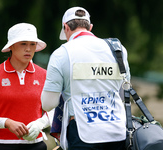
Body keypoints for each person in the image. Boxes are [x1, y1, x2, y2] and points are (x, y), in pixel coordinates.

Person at [41, 7, 131, 150]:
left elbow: (48, 104)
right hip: (117, 132)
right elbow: (123, 92)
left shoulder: (62, 53)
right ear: (90, 27)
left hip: (83, 133)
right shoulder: (118, 49)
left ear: (65, 27)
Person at [0, 23, 53, 150]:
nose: (28, 49)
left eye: (32, 44)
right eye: (23, 43)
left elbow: (55, 109)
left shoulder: (44, 75)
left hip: (35, 145)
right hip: (0, 146)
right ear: (11, 46)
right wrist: (7, 123)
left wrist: (40, 123)